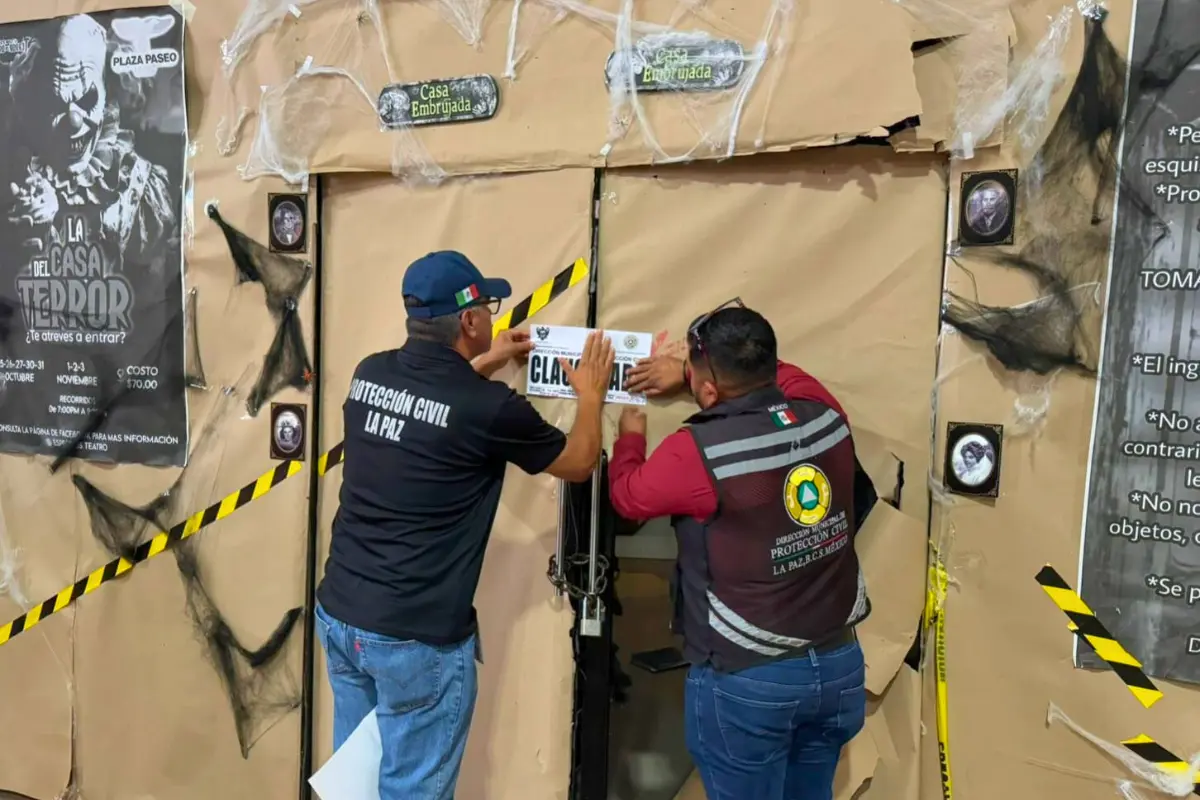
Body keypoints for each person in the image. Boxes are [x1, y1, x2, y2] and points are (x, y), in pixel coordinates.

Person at [315, 250, 615, 799]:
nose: (495, 316)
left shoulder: (369, 373)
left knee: (355, 786)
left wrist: (486, 362)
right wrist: (591, 396)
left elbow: (430, 406)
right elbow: (577, 462)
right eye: (488, 306)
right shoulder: (489, 407)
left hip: (341, 617)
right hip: (414, 638)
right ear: (470, 320)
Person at [610, 300, 871, 800]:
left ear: (708, 389)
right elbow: (788, 379)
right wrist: (695, 374)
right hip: (839, 666)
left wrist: (631, 436)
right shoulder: (828, 417)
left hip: (751, 680)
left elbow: (627, 497)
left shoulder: (700, 450)